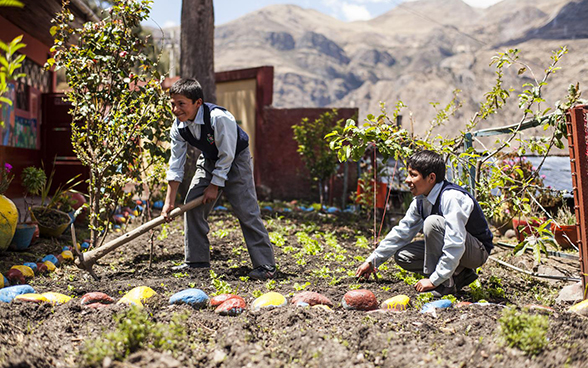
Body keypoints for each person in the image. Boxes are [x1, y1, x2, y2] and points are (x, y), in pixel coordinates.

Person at [162, 78, 276, 280]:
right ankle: (196, 262)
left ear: (198, 103)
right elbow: (176, 163)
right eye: (172, 104)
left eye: (181, 104)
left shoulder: (219, 118)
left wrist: (215, 185)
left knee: (246, 210)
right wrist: (169, 201)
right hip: (210, 159)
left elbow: (228, 156)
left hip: (235, 159)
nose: (175, 109)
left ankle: (265, 265)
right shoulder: (179, 127)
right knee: (192, 205)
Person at [356, 150, 493, 296]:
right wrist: (373, 261)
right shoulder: (420, 201)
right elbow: (402, 231)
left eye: (413, 175)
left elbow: (455, 242)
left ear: (431, 178)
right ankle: (460, 274)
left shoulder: (451, 197)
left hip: (476, 251)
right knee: (403, 256)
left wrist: (434, 280)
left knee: (433, 223)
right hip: (459, 249)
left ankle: (443, 284)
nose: (407, 180)